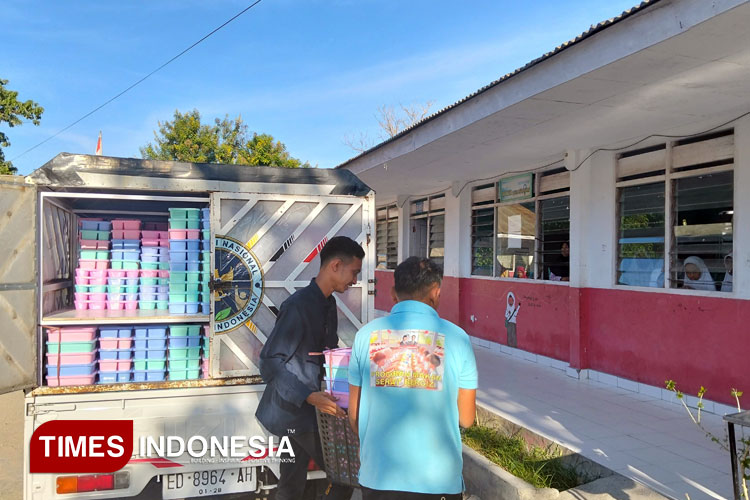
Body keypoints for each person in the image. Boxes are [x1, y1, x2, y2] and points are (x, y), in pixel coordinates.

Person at [348, 257, 478, 500]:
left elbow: (354, 416)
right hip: (438, 481)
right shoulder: (458, 338)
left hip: (379, 477)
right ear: (436, 293)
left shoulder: (365, 336)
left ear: (393, 293)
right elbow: (467, 419)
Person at [256, 236, 364, 500]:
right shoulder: (298, 306)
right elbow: (269, 364)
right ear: (335, 265)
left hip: (308, 411)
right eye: (354, 272)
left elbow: (324, 357)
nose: (355, 280)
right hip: (294, 414)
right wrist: (309, 395)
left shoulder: (329, 304)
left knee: (291, 484)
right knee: (346, 472)